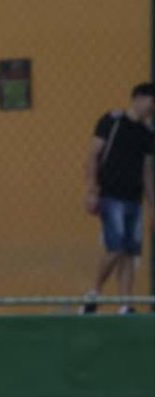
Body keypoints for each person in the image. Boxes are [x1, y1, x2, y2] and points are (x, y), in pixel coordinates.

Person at [82, 82, 155, 315]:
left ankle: (125, 303)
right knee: (115, 247)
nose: (152, 108)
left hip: (134, 198)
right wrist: (92, 190)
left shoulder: (147, 133)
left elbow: (147, 171)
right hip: (110, 195)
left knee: (130, 252)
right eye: (152, 102)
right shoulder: (111, 122)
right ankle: (93, 293)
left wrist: (152, 204)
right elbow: (93, 156)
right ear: (139, 98)